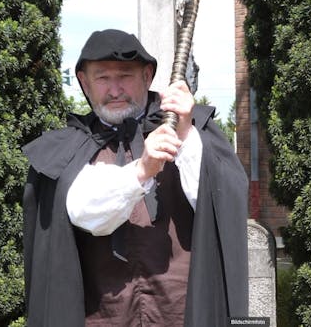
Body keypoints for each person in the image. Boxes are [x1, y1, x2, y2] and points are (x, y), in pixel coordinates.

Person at [22, 29, 249, 327]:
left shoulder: (193, 132)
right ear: (83, 82)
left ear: (147, 76)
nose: (115, 90)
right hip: (102, 317)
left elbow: (222, 204)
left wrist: (186, 137)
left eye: (125, 76)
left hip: (183, 315)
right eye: (102, 77)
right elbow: (82, 210)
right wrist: (141, 171)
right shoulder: (67, 148)